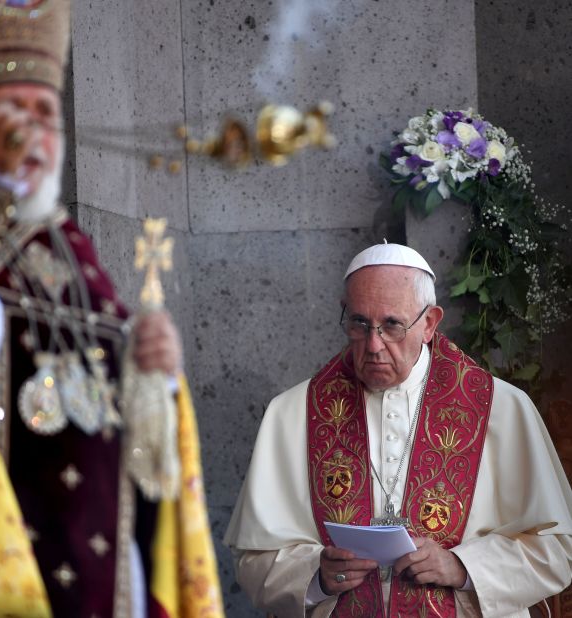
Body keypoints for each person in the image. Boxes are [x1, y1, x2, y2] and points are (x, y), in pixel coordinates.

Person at [0, 1, 223, 616]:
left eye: (45, 113)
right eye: (10, 111)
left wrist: (154, 381)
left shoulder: (72, 257)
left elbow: (129, 444)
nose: (30, 132)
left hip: (108, 579)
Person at [225, 242, 572, 617]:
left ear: (429, 323)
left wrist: (464, 568)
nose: (373, 345)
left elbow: (557, 550)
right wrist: (316, 576)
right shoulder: (293, 412)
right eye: (359, 323)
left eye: (392, 325)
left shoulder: (501, 407)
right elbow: (254, 558)